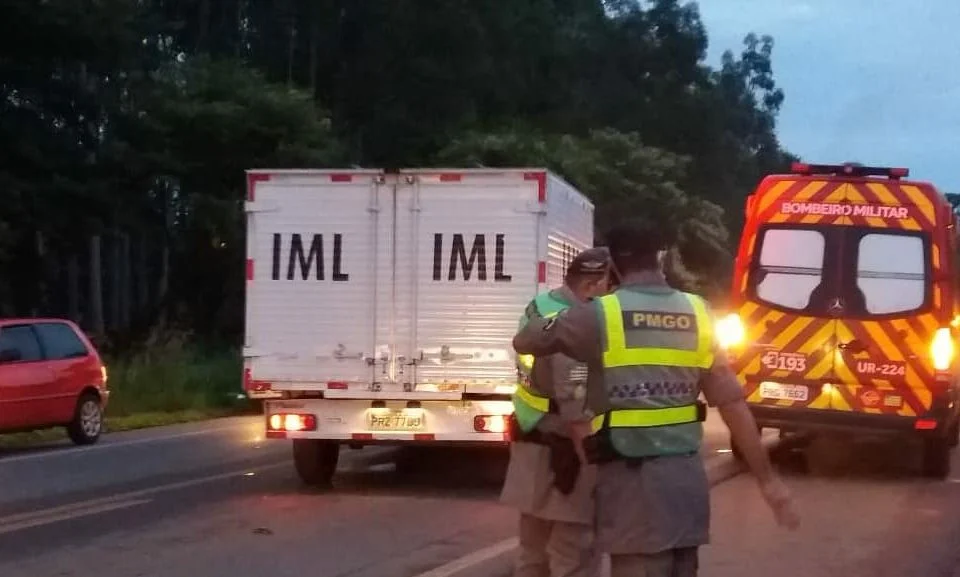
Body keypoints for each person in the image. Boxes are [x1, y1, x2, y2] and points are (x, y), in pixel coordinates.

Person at [513, 220, 800, 577]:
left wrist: (564, 309)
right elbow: (732, 404)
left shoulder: (599, 315)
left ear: (614, 267)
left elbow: (526, 340)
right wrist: (768, 481)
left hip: (633, 487)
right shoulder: (699, 313)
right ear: (661, 260)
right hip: (686, 486)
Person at [500, 247, 614, 577]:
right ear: (593, 285)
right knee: (574, 554)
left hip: (532, 441)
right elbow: (575, 403)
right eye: (610, 284)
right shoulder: (573, 321)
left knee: (532, 553)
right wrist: (592, 466)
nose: (612, 293)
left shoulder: (541, 306)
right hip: (567, 454)